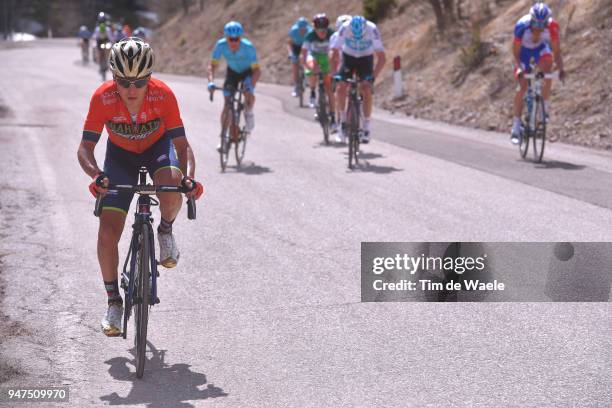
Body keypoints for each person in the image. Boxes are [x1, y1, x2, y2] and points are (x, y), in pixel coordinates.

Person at [77, 37, 204, 336]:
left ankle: (165, 230)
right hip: (120, 157)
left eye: (139, 81)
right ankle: (113, 302)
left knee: (172, 183)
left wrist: (188, 179)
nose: (132, 90)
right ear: (113, 77)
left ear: (149, 78)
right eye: (124, 82)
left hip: (157, 150)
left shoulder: (163, 95)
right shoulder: (102, 98)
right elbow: (85, 148)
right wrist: (96, 175)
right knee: (108, 233)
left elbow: (182, 146)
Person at [510, 2, 565, 144]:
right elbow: (515, 52)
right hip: (523, 53)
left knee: (548, 72)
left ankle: (543, 109)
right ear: (531, 20)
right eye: (535, 24)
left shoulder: (552, 27)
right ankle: (516, 126)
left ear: (547, 22)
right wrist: (520, 68)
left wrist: (561, 69)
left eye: (542, 25)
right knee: (522, 87)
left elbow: (556, 52)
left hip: (540, 49)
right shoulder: (522, 26)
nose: (538, 28)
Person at [331, 15, 386, 143]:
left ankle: (366, 126)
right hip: (348, 58)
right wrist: (334, 74)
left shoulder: (372, 29)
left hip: (365, 59)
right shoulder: (345, 28)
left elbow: (382, 58)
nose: (357, 39)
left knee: (366, 88)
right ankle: (343, 121)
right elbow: (334, 52)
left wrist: (373, 77)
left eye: (360, 37)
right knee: (340, 87)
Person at [207, 21, 260, 141]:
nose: (234, 42)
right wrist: (211, 81)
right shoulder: (220, 45)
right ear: (226, 38)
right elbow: (212, 66)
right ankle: (223, 137)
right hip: (232, 73)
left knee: (248, 91)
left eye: (237, 39)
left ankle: (249, 112)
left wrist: (251, 86)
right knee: (227, 105)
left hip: (247, 72)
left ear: (240, 38)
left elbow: (257, 70)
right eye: (231, 39)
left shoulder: (248, 47)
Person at [301, 13, 336, 130]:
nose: (322, 33)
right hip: (314, 56)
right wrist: (309, 68)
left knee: (329, 88)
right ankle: (312, 91)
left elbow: (337, 53)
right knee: (312, 69)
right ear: (314, 28)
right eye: (319, 30)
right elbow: (304, 55)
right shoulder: (309, 36)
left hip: (327, 57)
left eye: (324, 30)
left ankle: (333, 116)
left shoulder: (332, 34)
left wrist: (334, 69)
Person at [330, 14, 351, 135]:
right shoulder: (335, 37)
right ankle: (340, 119)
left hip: (353, 64)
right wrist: (333, 73)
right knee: (339, 92)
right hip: (340, 67)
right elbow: (332, 55)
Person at [287, 17, 312, 97]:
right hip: (296, 47)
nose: (302, 31)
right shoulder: (293, 31)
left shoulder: (310, 31)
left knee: (307, 61)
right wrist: (290, 53)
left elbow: (312, 45)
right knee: (295, 64)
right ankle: (296, 86)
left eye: (304, 29)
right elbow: (289, 43)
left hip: (306, 47)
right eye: (301, 29)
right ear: (298, 28)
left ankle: (306, 77)